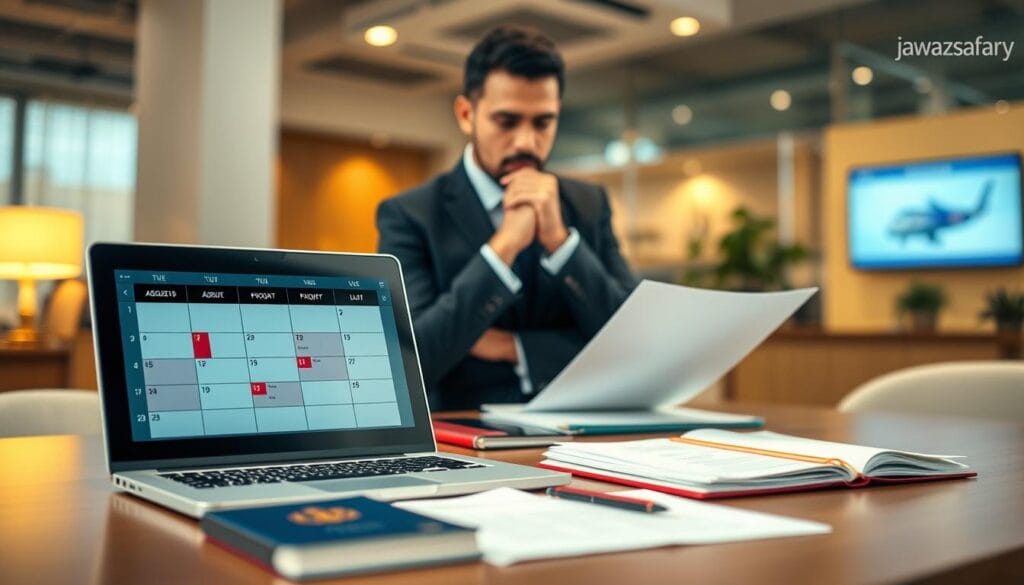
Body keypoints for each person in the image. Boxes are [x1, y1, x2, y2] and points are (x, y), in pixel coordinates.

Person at [376, 26, 637, 411]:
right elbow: (410, 360)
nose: (526, 143)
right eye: (507, 121)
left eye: (543, 122)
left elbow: (634, 343)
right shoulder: (409, 214)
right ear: (467, 115)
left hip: (582, 432)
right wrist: (502, 250)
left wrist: (561, 245)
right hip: (461, 433)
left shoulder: (589, 203)